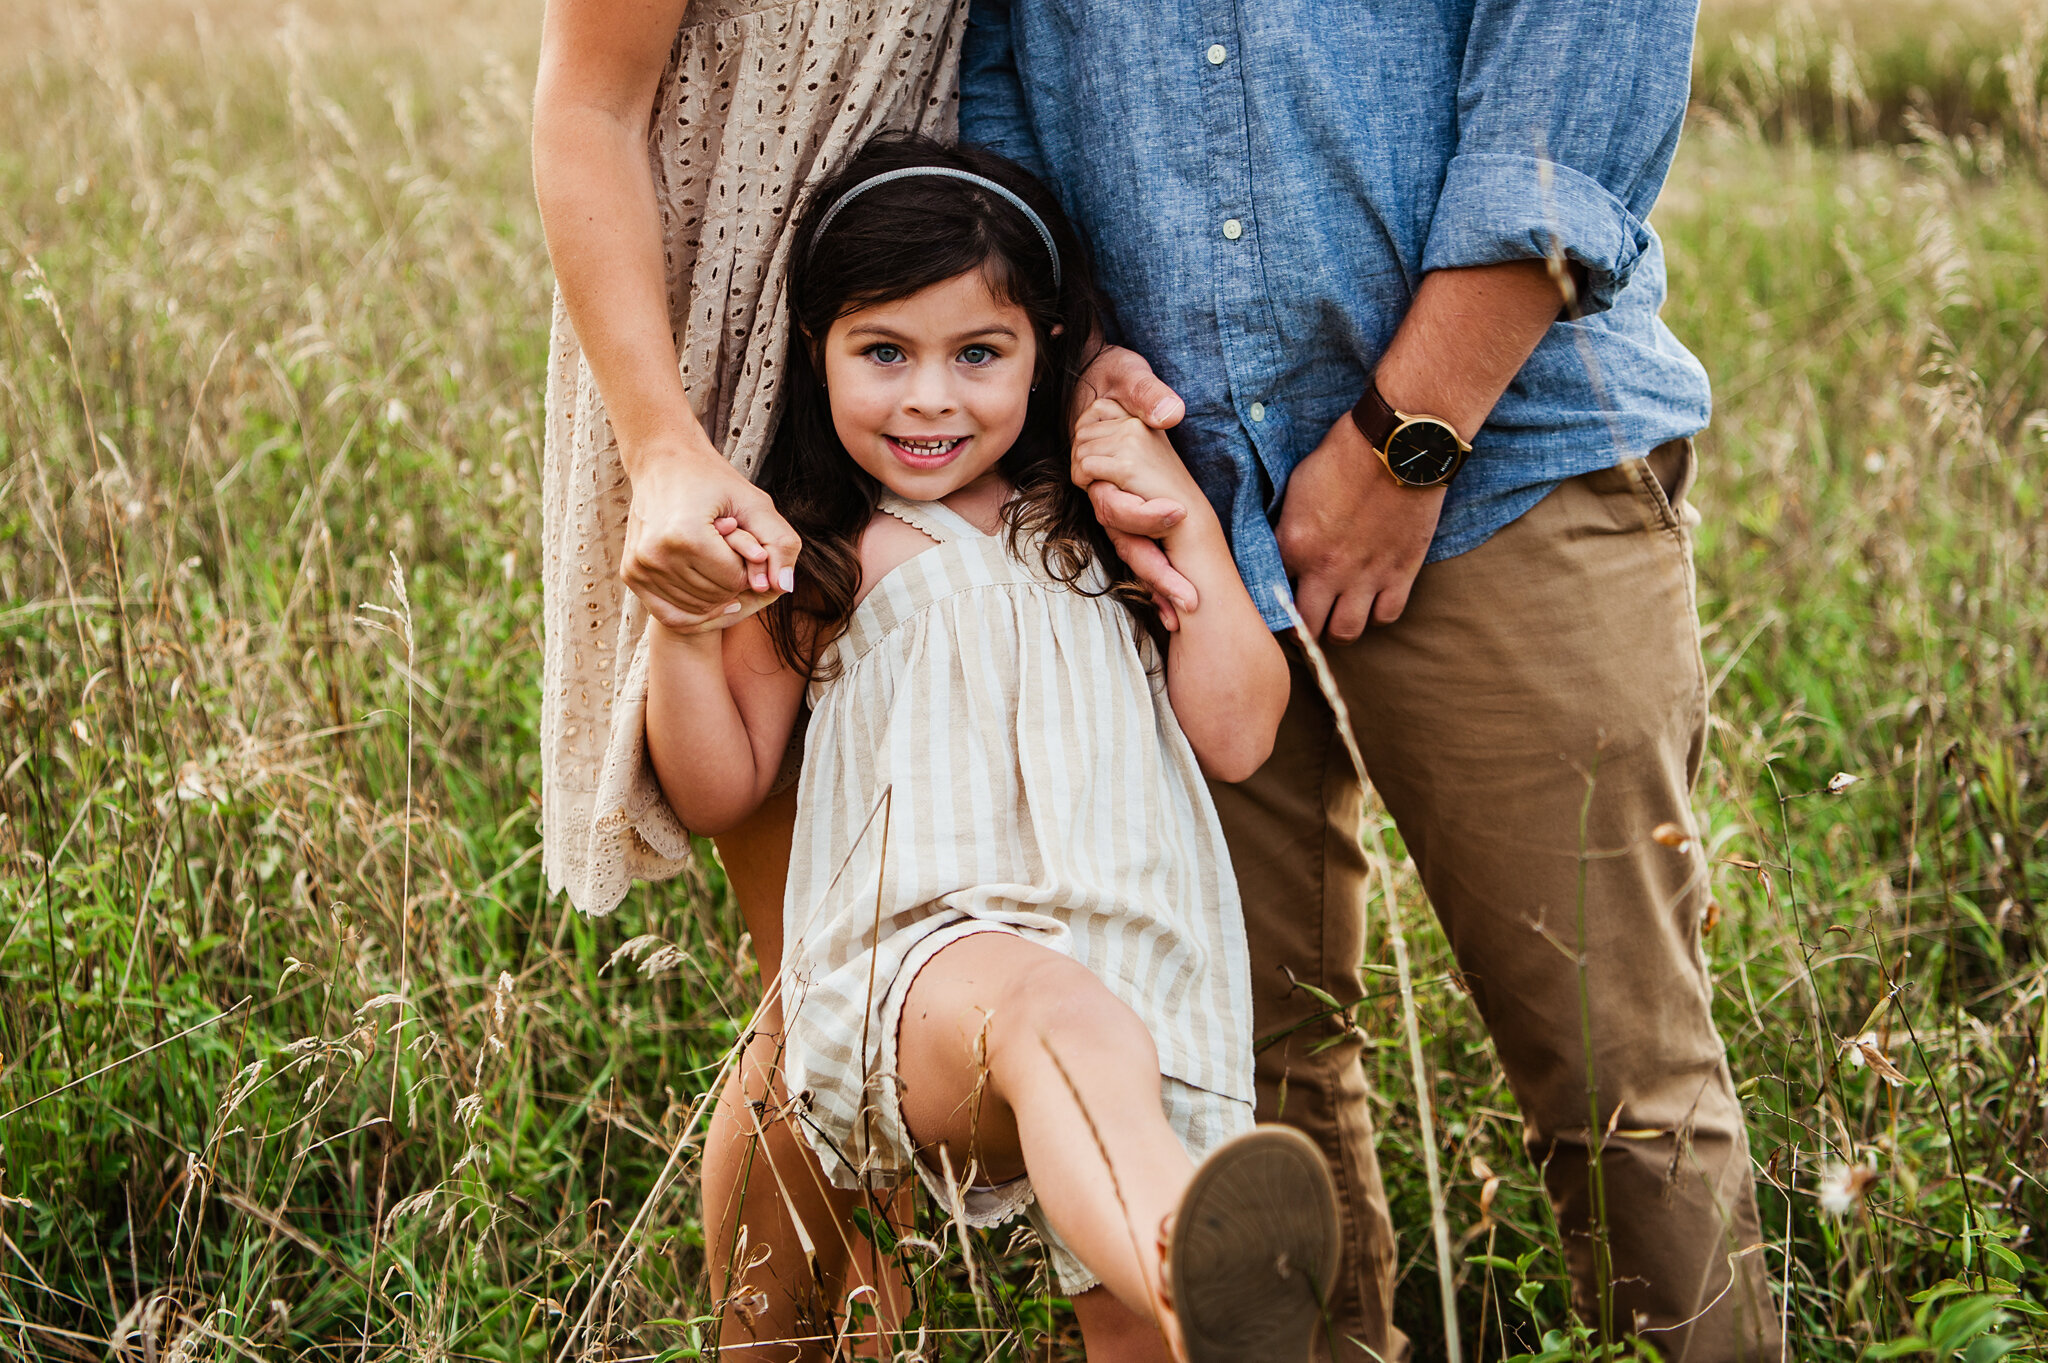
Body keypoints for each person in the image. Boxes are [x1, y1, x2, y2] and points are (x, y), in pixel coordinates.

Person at [959, 3, 1782, 1360]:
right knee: (1244, 1081)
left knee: (1618, 1078)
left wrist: (1407, 440)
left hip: (1509, 459)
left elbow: (1575, 66)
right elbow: (990, 68)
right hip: (1177, 508)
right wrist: (1066, 340)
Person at [641, 131, 1341, 1362]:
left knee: (1131, 1314)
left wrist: (1181, 520)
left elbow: (1237, 729)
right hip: (930, 975)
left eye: (979, 353)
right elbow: (718, 786)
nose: (929, 397)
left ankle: (1189, 1296)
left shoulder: (1096, 522)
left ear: (1047, 353)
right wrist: (686, 626)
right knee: (1052, 1015)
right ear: (817, 354)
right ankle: (1196, 1260)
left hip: (1147, 976)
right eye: (882, 353)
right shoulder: (821, 553)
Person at [533, 3, 1170, 1352]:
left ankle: (927, 1308)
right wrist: (662, 445)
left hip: (922, 306)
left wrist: (1072, 340)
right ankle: (803, 1334)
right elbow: (586, 108)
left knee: (922, 932)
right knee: (815, 963)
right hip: (707, 367)